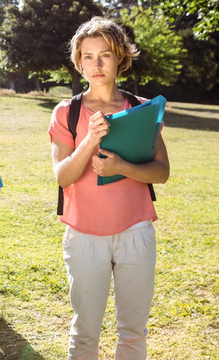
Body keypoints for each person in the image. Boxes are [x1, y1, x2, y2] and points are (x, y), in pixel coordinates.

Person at [48, 17, 170, 359]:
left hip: (135, 233)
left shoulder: (142, 109)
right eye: (88, 56)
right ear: (78, 61)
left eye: (105, 55)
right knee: (85, 331)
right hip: (84, 236)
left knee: (133, 332)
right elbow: (63, 176)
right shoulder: (66, 113)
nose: (96, 65)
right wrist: (89, 140)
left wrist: (122, 168)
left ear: (120, 58)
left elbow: (161, 172)